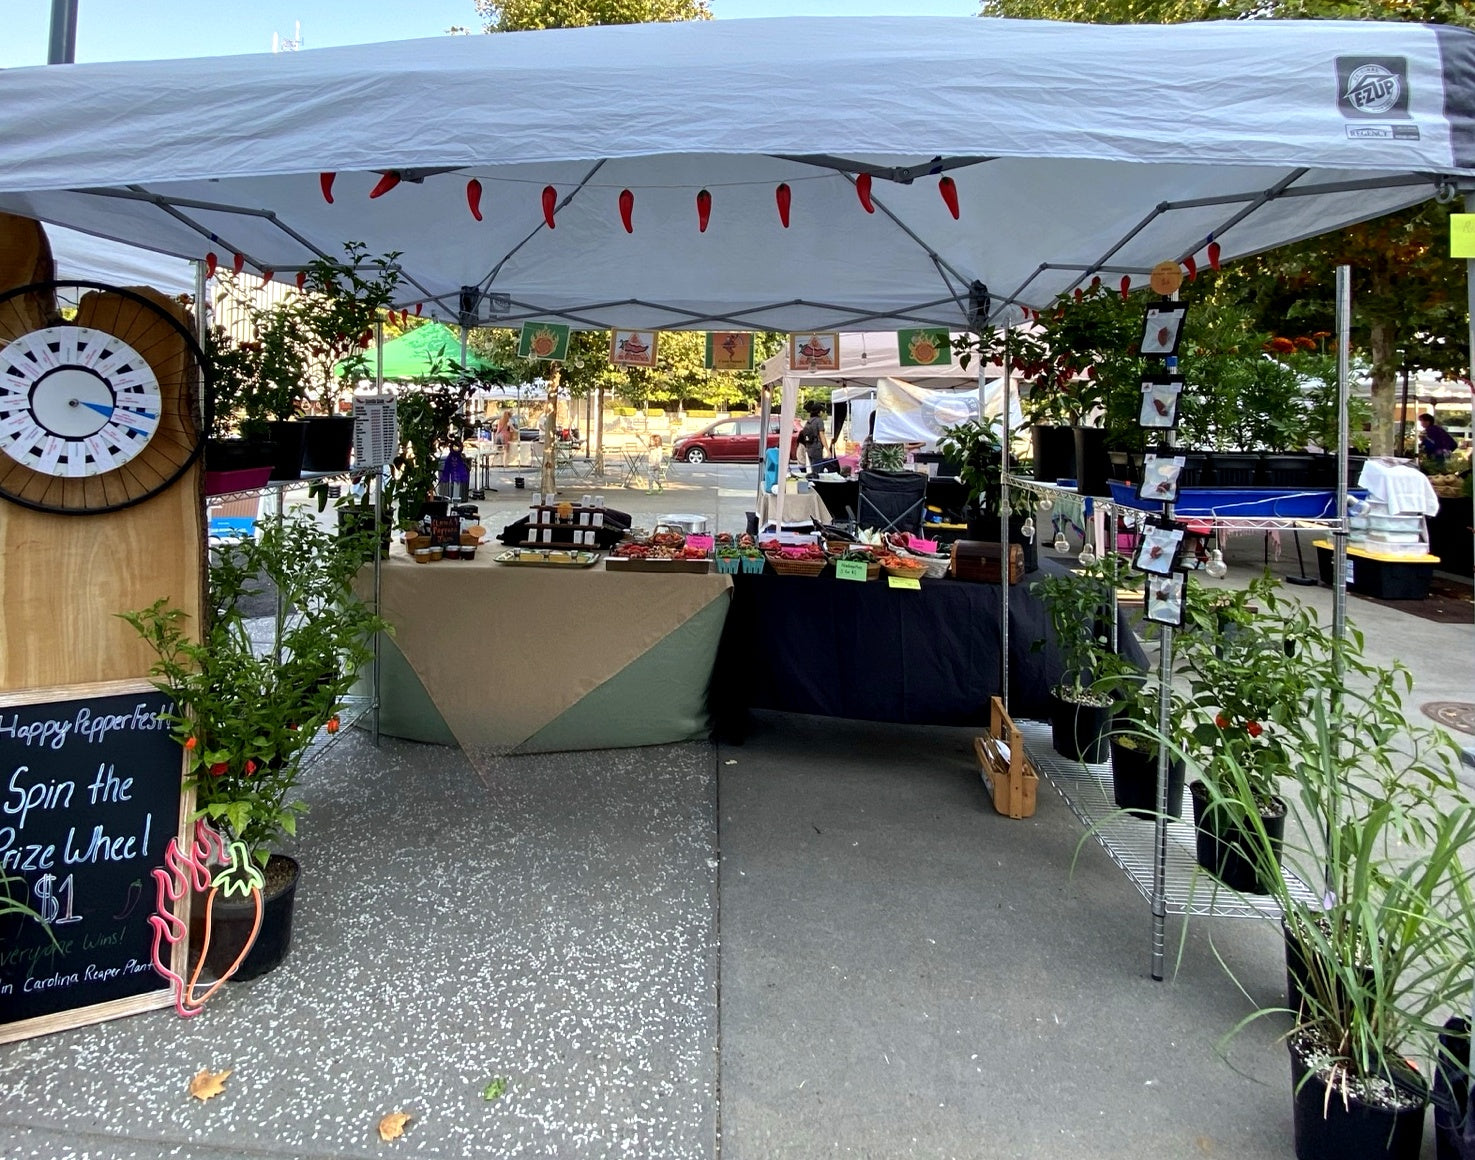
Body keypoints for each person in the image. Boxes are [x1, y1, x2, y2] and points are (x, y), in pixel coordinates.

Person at [797, 402, 828, 470]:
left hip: (809, 447)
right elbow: (822, 435)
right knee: (818, 468)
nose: (823, 413)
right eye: (822, 411)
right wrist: (828, 450)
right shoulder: (819, 421)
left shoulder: (809, 421)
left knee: (813, 468)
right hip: (817, 448)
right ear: (819, 412)